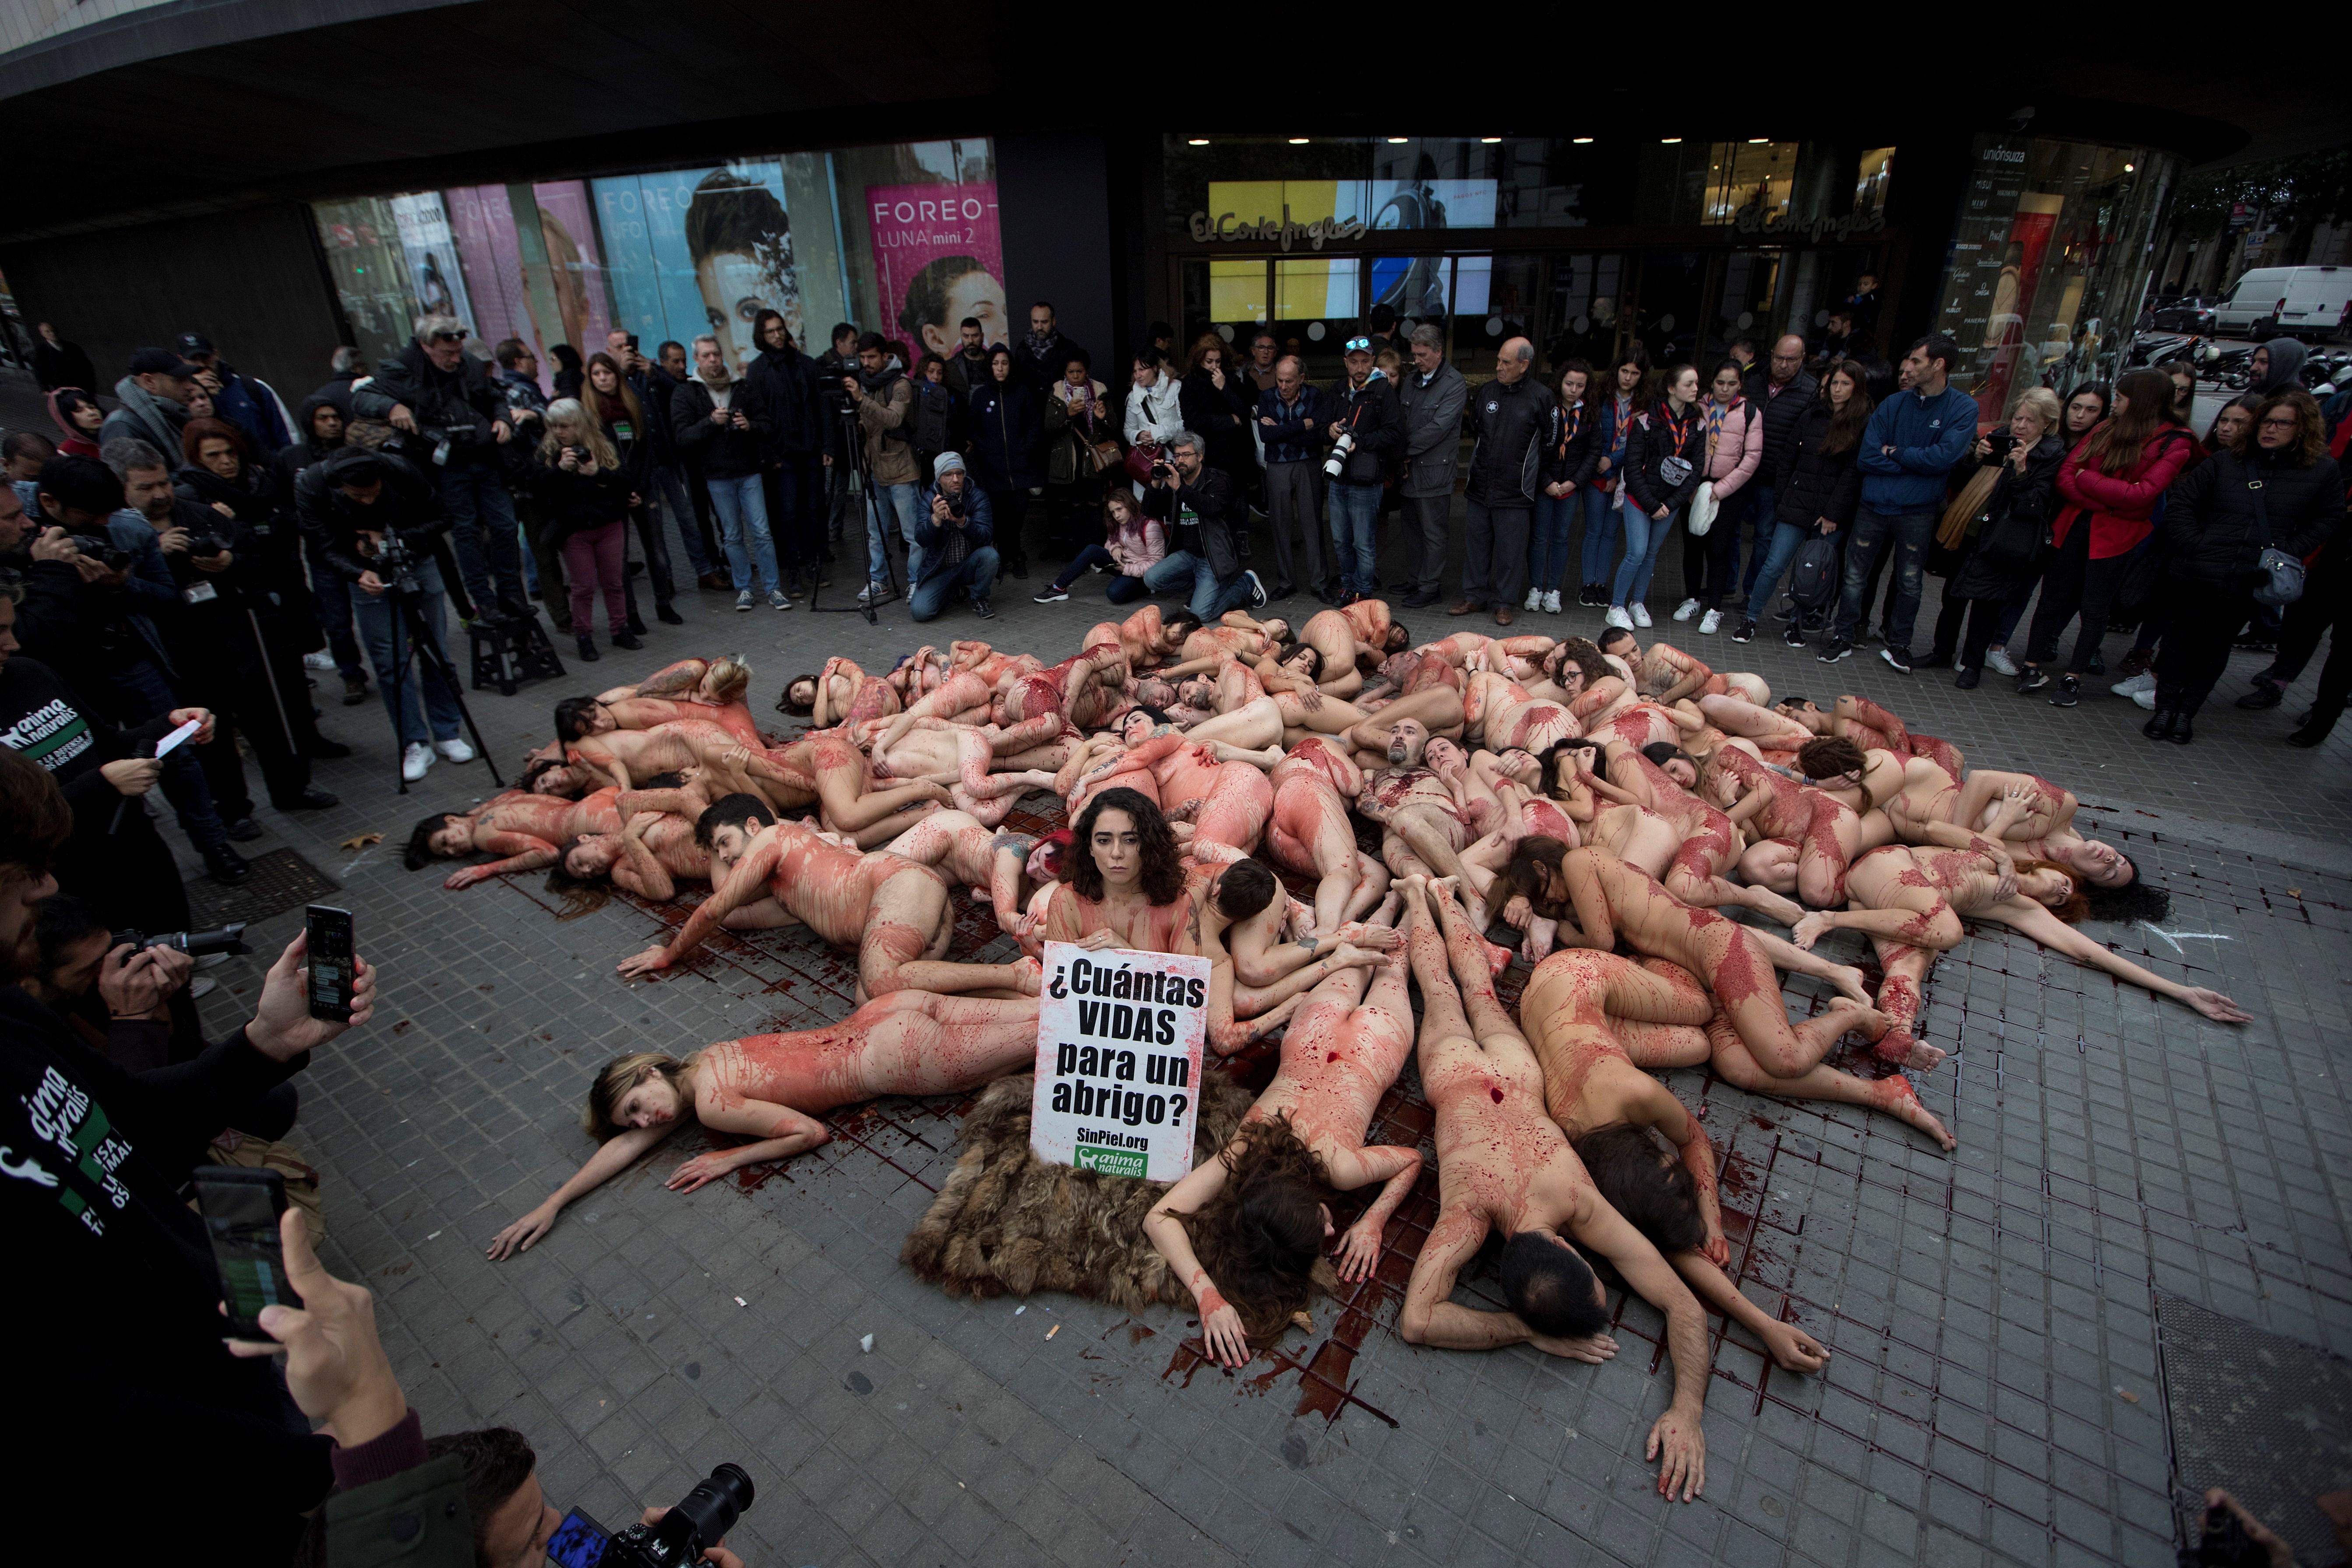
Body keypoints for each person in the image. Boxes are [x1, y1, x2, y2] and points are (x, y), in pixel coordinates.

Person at [2, 746, 377, 1555]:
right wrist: (320, 1465)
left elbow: (129, 1122)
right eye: (22, 868)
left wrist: (267, 1040)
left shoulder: (6, 1012)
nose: (45, 888)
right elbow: (73, 1406)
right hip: (167, 1487)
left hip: (224, 1352)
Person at [1393, 877, 1711, 1503]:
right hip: (1491, 1072)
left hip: (1476, 1074)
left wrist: (1688, 1413)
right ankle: (1430, 895)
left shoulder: (1526, 1203)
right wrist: (1522, 1330)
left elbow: (1418, 1321)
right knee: (1467, 989)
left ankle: (1417, 897)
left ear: (1564, 1252)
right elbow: (1683, 1306)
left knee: (1444, 990)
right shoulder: (1537, 1205)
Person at [489, 986, 1038, 1259]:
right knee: (1053, 1005)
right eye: (632, 1120)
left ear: (648, 1071)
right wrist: (553, 1201)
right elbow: (635, 1140)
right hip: (886, 1012)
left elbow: (809, 1133)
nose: (645, 1119)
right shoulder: (702, 1060)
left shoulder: (709, 1102)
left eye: (636, 1103)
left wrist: (727, 1157)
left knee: (1063, 1026)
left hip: (898, 1057)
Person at [34, 451, 250, 881]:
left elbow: (172, 600)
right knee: (94, 771)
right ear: (49, 504)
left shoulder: (129, 528)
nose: (99, 527)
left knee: (177, 754)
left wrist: (122, 584)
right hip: (69, 677)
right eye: (87, 518)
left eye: (106, 517)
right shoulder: (31, 545)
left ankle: (213, 844)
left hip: (131, 660)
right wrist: (54, 574)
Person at [0, 588, 205, 942]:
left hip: (136, 847)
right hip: (72, 880)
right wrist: (101, 784)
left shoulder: (30, 673)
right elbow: (12, 827)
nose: (13, 643)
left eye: (10, 628)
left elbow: (108, 742)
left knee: (173, 944)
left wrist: (172, 725)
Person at [2151, 386, 2342, 743]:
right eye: (2267, 422)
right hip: (2199, 571)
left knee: (2215, 648)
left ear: (2302, 429)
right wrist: (2196, 545)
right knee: (2178, 643)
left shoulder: (2320, 470)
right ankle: (2163, 710)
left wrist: (2288, 552)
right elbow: (2182, 503)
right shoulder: (2228, 460)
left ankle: (2185, 714)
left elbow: (2328, 518)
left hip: (2249, 578)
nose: (2271, 430)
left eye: (2283, 424)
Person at [2015, 368, 2197, 706]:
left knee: (2095, 609)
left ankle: (2073, 677)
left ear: (2140, 400)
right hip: (2075, 526)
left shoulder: (2176, 441)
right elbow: (2067, 475)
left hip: (2116, 538)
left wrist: (2091, 483)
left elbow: (2143, 495)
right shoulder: (2104, 428)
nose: (2115, 403)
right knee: (2050, 601)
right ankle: (2030, 665)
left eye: (2121, 396)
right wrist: (2109, 501)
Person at [296, 447, 479, 783]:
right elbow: (321, 544)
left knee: (437, 651)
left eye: (373, 493)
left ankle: (447, 732)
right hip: (365, 575)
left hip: (417, 560)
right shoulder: (312, 485)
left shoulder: (398, 468)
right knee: (389, 661)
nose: (367, 502)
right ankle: (413, 742)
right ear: (339, 487)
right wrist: (355, 572)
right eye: (357, 496)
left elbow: (443, 516)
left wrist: (396, 538)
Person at [352, 314, 532, 620]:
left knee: (504, 526)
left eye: (457, 351)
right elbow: (362, 399)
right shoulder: (402, 368)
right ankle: (484, 601)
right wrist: (393, 407)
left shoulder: (470, 365)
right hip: (445, 463)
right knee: (466, 532)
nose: (454, 358)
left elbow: (493, 396)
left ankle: (511, 594)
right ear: (425, 346)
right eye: (446, 353)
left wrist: (502, 417)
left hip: (484, 456)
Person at [1822, 334, 1978, 670]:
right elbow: (1866, 458)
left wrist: (1894, 453)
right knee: (1853, 575)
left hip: (1917, 512)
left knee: (1909, 581)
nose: (1907, 367)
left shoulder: (1963, 408)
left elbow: (1944, 459)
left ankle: (1900, 645)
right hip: (1873, 507)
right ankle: (1844, 635)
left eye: (1916, 361)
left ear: (1939, 365)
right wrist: (1917, 462)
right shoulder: (1892, 404)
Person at [1931, 388, 2066, 687]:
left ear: (2046, 424)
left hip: (2001, 541)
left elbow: (2035, 504)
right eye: (2018, 417)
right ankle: (1941, 652)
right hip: (1969, 529)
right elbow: (1959, 481)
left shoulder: (2050, 454)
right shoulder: (1999, 438)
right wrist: (1974, 458)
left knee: (1985, 604)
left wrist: (2021, 472)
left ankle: (1972, 665)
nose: (2020, 426)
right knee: (1952, 595)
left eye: (2030, 421)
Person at [1737, 357, 1867, 645]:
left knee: (1809, 573)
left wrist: (1833, 513)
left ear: (1856, 388)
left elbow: (1852, 475)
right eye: (1834, 382)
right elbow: (1787, 459)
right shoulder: (1811, 415)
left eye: (1845, 384)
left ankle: (1795, 624)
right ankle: (1750, 619)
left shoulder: (1861, 425)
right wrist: (1783, 497)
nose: (1837, 389)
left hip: (1830, 517)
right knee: (1773, 566)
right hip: (1795, 506)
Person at [673, 333, 787, 612]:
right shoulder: (687, 392)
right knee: (733, 536)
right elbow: (682, 436)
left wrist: (750, 425)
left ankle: (773, 589)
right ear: (696, 360)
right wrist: (710, 422)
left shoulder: (743, 387)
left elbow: (767, 423)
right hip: (716, 475)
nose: (713, 360)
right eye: (706, 356)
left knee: (762, 532)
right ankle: (745, 589)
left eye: (716, 354)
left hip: (749, 471)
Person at [530, 398, 643, 663]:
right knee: (583, 587)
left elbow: (626, 480)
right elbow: (537, 489)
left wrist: (598, 472)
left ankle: (620, 629)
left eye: (565, 426)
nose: (559, 432)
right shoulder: (547, 453)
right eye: (554, 426)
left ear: (580, 424)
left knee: (614, 582)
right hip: (574, 531)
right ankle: (584, 637)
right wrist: (560, 471)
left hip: (608, 525)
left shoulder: (602, 445)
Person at [583, 350, 681, 626]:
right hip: (611, 492)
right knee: (619, 558)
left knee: (658, 551)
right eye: (597, 374)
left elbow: (645, 450)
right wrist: (622, 490)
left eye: (608, 372)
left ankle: (664, 604)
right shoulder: (589, 415)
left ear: (617, 375)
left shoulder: (632, 404)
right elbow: (596, 458)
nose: (603, 379)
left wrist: (638, 487)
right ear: (590, 380)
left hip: (642, 488)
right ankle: (631, 613)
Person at [1608, 363, 1706, 632]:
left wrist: (1670, 504)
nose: (1696, 389)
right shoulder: (1646, 421)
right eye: (1689, 384)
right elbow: (1632, 465)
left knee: (1651, 554)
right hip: (1641, 498)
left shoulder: (1697, 424)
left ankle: (1637, 602)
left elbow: (1696, 471)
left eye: (1697, 383)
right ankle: (1616, 606)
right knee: (1636, 552)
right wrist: (1652, 505)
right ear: (1672, 388)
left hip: (1670, 502)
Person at [1669, 357, 1763, 633]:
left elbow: (1751, 458)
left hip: (1728, 489)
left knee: (1719, 548)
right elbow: (1684, 448)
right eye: (1720, 382)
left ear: (1740, 385)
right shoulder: (1697, 407)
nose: (1725, 388)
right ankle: (1692, 599)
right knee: (1693, 545)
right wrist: (1688, 487)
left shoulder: (1750, 413)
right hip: (1695, 486)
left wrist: (1721, 491)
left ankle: (1714, 608)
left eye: (1732, 383)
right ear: (1712, 382)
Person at [1140, 430, 1266, 620]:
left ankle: (1245, 585)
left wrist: (1180, 489)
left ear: (1200, 456)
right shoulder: (1176, 482)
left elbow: (1212, 508)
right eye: (1177, 455)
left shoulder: (1217, 480)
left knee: (1201, 614)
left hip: (1214, 558)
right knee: (1151, 579)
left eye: (1186, 455)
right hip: (1189, 555)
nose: (1180, 460)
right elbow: (1151, 511)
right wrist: (1155, 483)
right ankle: (1202, 589)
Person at [843, 330, 923, 595]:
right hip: (873, 469)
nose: (866, 363)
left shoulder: (900, 384)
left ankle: (916, 581)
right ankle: (878, 580)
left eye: (872, 357)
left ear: (885, 356)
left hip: (901, 469)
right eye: (862, 357)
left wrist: (861, 400)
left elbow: (893, 419)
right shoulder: (865, 383)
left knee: (913, 535)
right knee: (875, 534)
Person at [1326, 335, 1403, 605]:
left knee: (1363, 544)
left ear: (1372, 361)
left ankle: (1363, 595)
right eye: (1354, 361)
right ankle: (1347, 587)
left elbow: (1395, 434)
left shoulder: (1383, 390)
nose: (1360, 367)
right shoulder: (1338, 389)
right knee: (1340, 541)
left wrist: (1361, 442)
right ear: (1346, 362)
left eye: (1365, 361)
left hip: (1368, 480)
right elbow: (1326, 424)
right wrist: (1331, 430)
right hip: (1339, 477)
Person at [1397, 323, 1468, 609]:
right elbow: (1400, 421)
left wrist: (1401, 450)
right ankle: (1416, 579)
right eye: (1414, 354)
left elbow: (1438, 429)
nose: (1416, 360)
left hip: (1434, 472)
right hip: (1409, 471)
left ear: (1438, 352)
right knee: (1411, 529)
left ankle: (1430, 586)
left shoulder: (1454, 384)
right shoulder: (1411, 380)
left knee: (1433, 532)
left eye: (1422, 354)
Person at [1740, 334, 1817, 598]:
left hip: (1774, 479)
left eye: (1791, 360)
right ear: (1771, 355)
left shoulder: (1811, 391)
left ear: (1802, 360)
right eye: (1779, 358)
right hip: (1740, 474)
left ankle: (1751, 592)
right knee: (1729, 534)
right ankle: (1726, 587)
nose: (1783, 365)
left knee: (1764, 539)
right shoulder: (1753, 382)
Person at [1576, 347, 1649, 608]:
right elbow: (1592, 436)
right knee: (1594, 531)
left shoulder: (1644, 405)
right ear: (1616, 371)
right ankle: (1588, 584)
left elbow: (1640, 445)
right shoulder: (1601, 398)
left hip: (1626, 476)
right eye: (1625, 371)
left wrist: (1617, 471)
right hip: (1599, 474)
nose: (1628, 378)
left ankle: (1601, 585)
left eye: (1635, 373)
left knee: (1610, 534)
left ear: (1642, 377)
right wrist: (1606, 471)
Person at [1525, 359, 1596, 616]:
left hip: (1571, 485)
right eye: (1569, 383)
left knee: (1561, 538)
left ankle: (1553, 590)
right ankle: (1536, 587)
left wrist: (1574, 482)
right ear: (1560, 383)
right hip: (1546, 484)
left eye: (1580, 385)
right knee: (1539, 536)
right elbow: (1535, 448)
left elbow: (1593, 452)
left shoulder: (1589, 413)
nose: (1574, 390)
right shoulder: (1548, 408)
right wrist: (1546, 482)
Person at [969, 344, 1043, 578]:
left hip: (1021, 468)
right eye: (995, 363)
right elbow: (973, 428)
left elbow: (1035, 423)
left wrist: (1027, 447)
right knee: (999, 516)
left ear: (1010, 366)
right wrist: (986, 449)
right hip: (994, 469)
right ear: (989, 366)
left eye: (1004, 363)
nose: (1000, 368)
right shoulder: (981, 395)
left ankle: (1013, 554)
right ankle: (1012, 557)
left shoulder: (1022, 391)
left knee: (1018, 514)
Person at [1042, 350, 1118, 565]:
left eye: (1080, 372)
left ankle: (1095, 554)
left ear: (1087, 371)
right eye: (1071, 372)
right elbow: (1049, 428)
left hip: (1094, 460)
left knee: (1096, 508)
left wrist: (1102, 418)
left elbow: (1113, 427)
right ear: (1065, 373)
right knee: (1074, 507)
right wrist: (1067, 414)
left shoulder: (1099, 390)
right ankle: (1076, 553)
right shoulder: (1057, 392)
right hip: (1071, 461)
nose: (1075, 376)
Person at [1034, 487, 1161, 606]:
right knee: (1092, 550)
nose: (1116, 516)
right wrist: (1115, 548)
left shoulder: (1150, 527)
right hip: (1122, 565)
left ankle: (1148, 590)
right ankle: (1058, 588)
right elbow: (1111, 541)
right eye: (1113, 512)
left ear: (1130, 505)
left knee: (1114, 594)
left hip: (1143, 575)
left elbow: (1157, 564)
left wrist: (1128, 569)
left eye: (1120, 509)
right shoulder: (1118, 522)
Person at [910, 452, 998, 622]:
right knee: (920, 613)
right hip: (939, 569)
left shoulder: (977, 496)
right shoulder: (929, 499)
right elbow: (921, 539)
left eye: (960, 473)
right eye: (948, 475)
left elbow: (986, 536)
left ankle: (979, 598)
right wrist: (935, 520)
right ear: (939, 479)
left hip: (968, 564)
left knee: (990, 555)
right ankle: (954, 591)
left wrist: (963, 521)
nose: (956, 479)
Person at [175, 331, 291, 457]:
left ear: (215, 355)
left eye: (205, 358)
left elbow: (286, 433)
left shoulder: (252, 386)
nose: (202, 365)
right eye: (194, 360)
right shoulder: (180, 397)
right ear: (182, 360)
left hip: (268, 468)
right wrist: (203, 392)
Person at [1179, 335, 1259, 504]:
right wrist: (1230, 420)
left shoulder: (1229, 378)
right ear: (1200, 360)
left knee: (1238, 499)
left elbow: (1245, 411)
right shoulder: (1190, 383)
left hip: (1235, 452)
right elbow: (1193, 422)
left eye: (1218, 361)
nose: (1214, 366)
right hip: (1208, 452)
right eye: (1209, 361)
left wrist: (1224, 389)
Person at [99, 345, 198, 458]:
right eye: (179, 380)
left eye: (188, 378)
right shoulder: (121, 426)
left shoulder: (174, 412)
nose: (190, 386)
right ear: (149, 381)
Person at [1012, 300, 1084, 391]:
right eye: (1035, 322)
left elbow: (1079, 382)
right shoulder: (1022, 350)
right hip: (1032, 405)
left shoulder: (1069, 348)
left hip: (1063, 404)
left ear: (1053, 321)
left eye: (1044, 322)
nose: (1039, 327)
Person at [942, 314, 996, 403]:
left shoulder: (995, 363)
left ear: (982, 336)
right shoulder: (950, 367)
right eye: (966, 336)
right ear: (961, 337)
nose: (971, 341)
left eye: (975, 336)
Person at [31, 321, 96, 395]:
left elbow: (86, 365)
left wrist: (91, 384)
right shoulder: (41, 351)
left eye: (53, 330)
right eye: (48, 332)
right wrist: (44, 389)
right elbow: (39, 371)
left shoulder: (72, 346)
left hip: (80, 385)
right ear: (43, 334)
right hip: (60, 388)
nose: (52, 333)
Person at [48, 386, 106, 459]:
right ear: (67, 418)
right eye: (79, 411)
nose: (91, 413)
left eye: (92, 407)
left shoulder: (116, 432)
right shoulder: (67, 453)